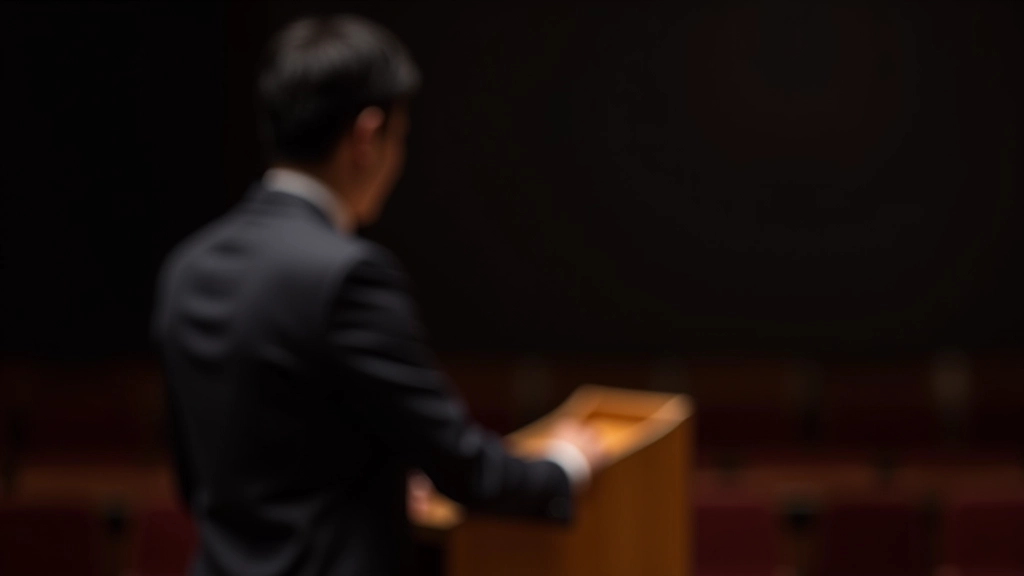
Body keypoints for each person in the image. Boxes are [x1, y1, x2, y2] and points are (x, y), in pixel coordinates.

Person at [152, 15, 605, 576]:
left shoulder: (187, 269)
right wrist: (565, 466)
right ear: (368, 136)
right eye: (402, 138)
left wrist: (384, 485)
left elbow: (203, 477)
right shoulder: (347, 276)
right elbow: (460, 465)